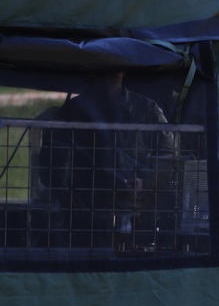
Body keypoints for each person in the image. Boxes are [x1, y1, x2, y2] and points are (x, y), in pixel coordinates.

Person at [43, 70, 175, 249]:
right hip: (85, 216)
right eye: (101, 71)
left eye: (112, 71)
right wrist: (66, 196)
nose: (107, 78)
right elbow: (52, 159)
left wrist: (146, 183)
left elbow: (168, 156)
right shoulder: (73, 111)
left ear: (122, 72)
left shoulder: (147, 110)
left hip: (134, 213)